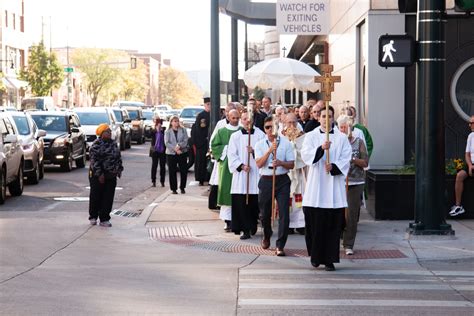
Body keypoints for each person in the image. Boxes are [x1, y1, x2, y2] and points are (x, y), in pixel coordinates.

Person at [301, 106, 352, 271]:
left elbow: (347, 157)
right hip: (316, 187)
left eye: (329, 116)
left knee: (332, 225)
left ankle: (329, 259)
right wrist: (321, 149)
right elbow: (306, 156)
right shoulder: (310, 136)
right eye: (323, 116)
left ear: (333, 118)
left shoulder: (342, 138)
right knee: (314, 224)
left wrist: (335, 166)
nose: (326, 119)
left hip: (333, 189)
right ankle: (315, 257)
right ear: (318, 118)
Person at [255, 116, 295, 256]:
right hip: (266, 179)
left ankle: (280, 245)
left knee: (284, 213)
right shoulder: (259, 144)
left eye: (273, 127)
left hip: (282, 180)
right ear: (264, 129)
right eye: (267, 127)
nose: (270, 130)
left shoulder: (286, 143)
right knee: (265, 213)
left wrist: (281, 163)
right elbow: (259, 164)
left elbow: (292, 164)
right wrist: (269, 151)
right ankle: (267, 235)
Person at [227, 111, 265, 239]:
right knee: (242, 203)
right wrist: (242, 166)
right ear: (241, 121)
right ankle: (245, 229)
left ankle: (253, 225)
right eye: (244, 119)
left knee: (254, 203)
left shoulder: (260, 135)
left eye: (249, 119)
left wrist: (254, 152)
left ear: (252, 120)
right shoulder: (235, 136)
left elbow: (265, 152)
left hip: (256, 174)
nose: (247, 121)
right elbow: (231, 155)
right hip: (241, 176)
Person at [338, 115, 368, 255]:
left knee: (351, 215)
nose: (343, 130)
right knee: (338, 214)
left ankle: (348, 243)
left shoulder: (359, 142)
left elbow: (365, 162)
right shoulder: (336, 142)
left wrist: (353, 159)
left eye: (345, 127)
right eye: (341, 127)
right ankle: (337, 237)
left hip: (355, 182)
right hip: (339, 182)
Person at [211, 110, 242, 231]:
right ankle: (227, 220)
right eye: (233, 118)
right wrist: (227, 149)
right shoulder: (222, 131)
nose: (235, 120)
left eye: (237, 118)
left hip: (239, 165)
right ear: (228, 118)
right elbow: (215, 146)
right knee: (226, 190)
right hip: (226, 165)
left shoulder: (241, 131)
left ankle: (237, 219)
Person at [88, 123, 123, 227]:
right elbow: (94, 161)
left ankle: (104, 218)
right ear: (102, 133)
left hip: (111, 175)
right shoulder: (96, 145)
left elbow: (118, 157)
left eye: (110, 131)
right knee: (96, 196)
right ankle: (93, 216)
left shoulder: (113, 144)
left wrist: (119, 169)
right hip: (97, 176)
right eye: (107, 131)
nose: (110, 133)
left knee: (108, 197)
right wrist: (100, 174)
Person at [208, 103, 237, 210]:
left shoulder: (240, 127)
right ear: (226, 114)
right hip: (223, 159)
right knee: (218, 181)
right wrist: (220, 152)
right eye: (229, 112)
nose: (234, 119)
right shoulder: (221, 125)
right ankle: (214, 203)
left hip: (235, 161)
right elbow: (213, 141)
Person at [282, 113, 306, 235]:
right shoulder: (281, 137)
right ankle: (288, 224)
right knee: (287, 199)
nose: (292, 125)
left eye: (294, 122)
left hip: (299, 172)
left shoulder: (303, 137)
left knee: (300, 197)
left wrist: (296, 149)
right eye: (289, 122)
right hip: (286, 173)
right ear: (285, 123)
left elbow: (305, 154)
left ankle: (300, 224)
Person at [450, 115, 474, 216]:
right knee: (460, 176)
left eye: (472, 123)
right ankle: (458, 206)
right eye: (470, 123)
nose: (469, 125)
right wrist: (469, 165)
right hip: (471, 163)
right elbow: (467, 154)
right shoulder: (471, 136)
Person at [165, 115, 189, 194]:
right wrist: (175, 149)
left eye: (177, 121)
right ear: (171, 122)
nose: (176, 123)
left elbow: (185, 140)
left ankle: (182, 187)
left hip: (182, 152)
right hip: (171, 153)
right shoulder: (168, 131)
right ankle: (173, 188)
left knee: (183, 170)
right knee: (172, 171)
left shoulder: (183, 130)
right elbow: (167, 142)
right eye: (174, 121)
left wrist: (179, 146)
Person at [191, 97, 211, 185]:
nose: (209, 106)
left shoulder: (214, 114)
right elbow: (198, 129)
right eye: (208, 104)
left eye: (210, 104)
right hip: (202, 142)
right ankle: (201, 178)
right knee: (201, 161)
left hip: (210, 142)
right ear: (205, 105)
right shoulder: (201, 116)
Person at [150, 117, 166, 187]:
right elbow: (149, 134)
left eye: (160, 124)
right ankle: (153, 181)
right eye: (157, 124)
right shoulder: (153, 131)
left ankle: (162, 181)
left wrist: (161, 130)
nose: (159, 125)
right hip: (155, 150)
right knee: (154, 165)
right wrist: (156, 130)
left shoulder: (164, 130)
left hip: (162, 150)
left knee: (162, 166)